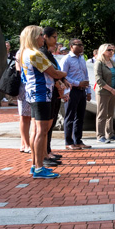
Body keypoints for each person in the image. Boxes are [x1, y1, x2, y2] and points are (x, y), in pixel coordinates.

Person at [20, 25, 66, 178]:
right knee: (41, 131)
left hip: (34, 94)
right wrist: (64, 73)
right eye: (40, 35)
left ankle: (35, 165)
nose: (42, 38)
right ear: (33, 37)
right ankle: (39, 168)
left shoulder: (25, 53)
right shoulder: (34, 54)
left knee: (36, 130)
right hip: (41, 94)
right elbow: (54, 73)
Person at [39, 27, 69, 165]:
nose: (57, 41)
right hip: (45, 92)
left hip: (53, 91)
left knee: (50, 124)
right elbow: (53, 72)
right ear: (45, 37)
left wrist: (63, 79)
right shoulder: (40, 53)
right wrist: (61, 77)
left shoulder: (48, 54)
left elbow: (57, 71)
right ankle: (43, 156)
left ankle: (48, 151)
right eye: (54, 37)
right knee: (43, 128)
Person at [61, 39, 93, 150]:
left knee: (80, 117)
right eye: (78, 45)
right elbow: (63, 76)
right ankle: (68, 142)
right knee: (70, 116)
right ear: (71, 46)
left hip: (82, 91)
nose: (81, 47)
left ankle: (78, 140)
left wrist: (88, 91)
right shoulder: (66, 59)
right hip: (71, 91)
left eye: (82, 45)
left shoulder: (82, 59)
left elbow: (86, 75)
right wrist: (77, 83)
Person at [94, 43, 115, 144]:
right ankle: (100, 135)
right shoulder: (99, 63)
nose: (111, 52)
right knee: (102, 114)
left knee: (110, 113)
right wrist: (111, 90)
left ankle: (110, 133)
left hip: (113, 91)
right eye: (109, 50)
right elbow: (99, 80)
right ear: (103, 51)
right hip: (103, 92)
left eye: (112, 50)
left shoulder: (113, 62)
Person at [14, 49, 31, 154]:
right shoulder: (21, 52)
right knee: (24, 116)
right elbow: (19, 70)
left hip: (29, 86)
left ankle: (23, 143)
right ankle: (26, 144)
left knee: (28, 116)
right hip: (24, 86)